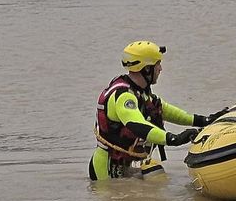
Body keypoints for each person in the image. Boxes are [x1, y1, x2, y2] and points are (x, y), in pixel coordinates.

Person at [90, 41, 213, 180]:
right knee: (157, 179)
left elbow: (165, 110)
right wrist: (173, 139)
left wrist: (203, 120)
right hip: (105, 171)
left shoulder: (140, 92)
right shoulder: (124, 96)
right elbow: (137, 125)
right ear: (147, 69)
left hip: (124, 166)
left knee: (158, 177)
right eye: (157, 64)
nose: (160, 69)